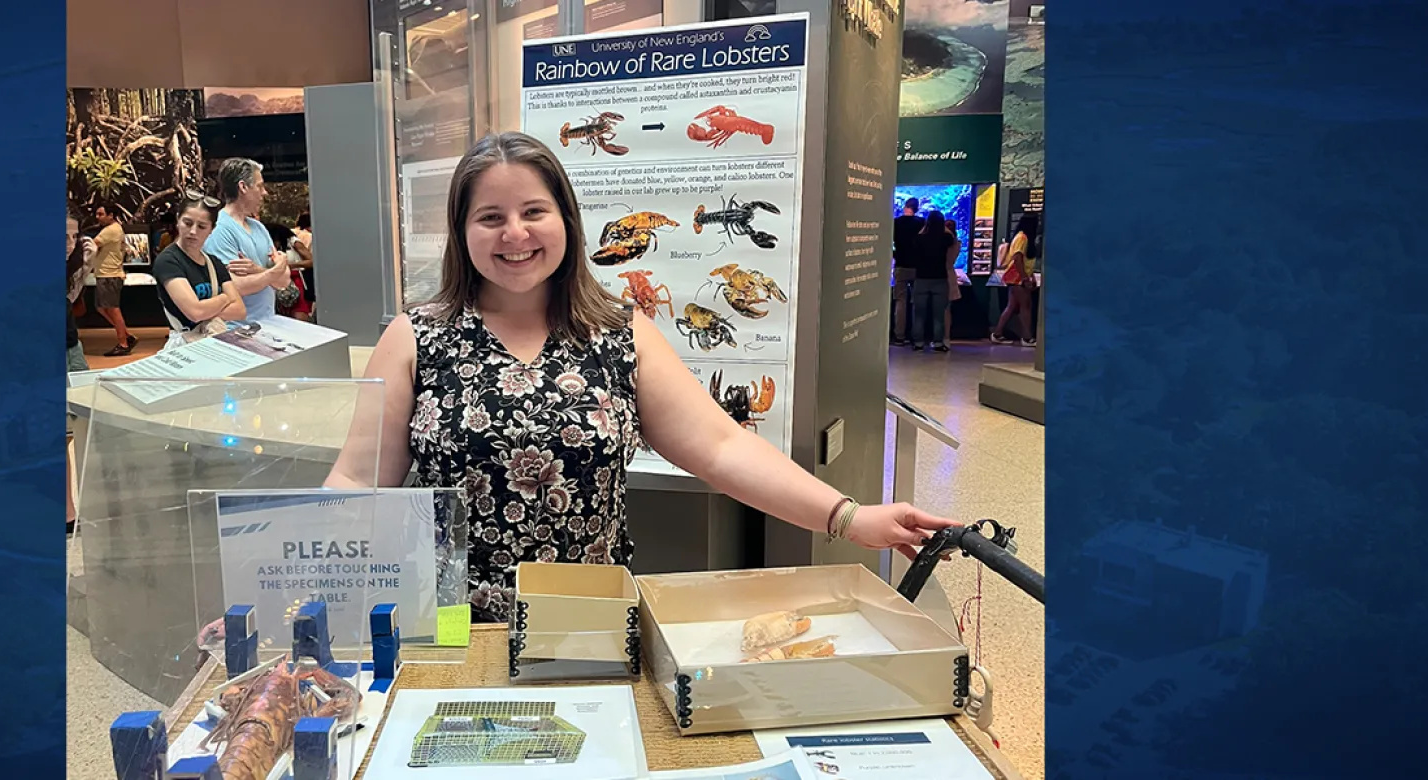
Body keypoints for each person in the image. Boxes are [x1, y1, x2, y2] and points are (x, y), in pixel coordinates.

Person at [324, 133, 961, 623]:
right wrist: (295, 587)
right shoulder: (416, 336)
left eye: (533, 211)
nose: (514, 233)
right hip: (445, 623)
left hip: (587, 619)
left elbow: (721, 446)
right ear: (462, 233)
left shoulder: (618, 331)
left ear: (567, 223)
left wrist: (849, 517)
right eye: (489, 217)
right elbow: (356, 479)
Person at [152, 194, 246, 349]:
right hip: (185, 344)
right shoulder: (168, 261)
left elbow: (240, 310)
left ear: (212, 229)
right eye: (187, 223)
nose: (193, 231)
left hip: (214, 342)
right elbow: (194, 312)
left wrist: (204, 310)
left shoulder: (214, 263)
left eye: (202, 226)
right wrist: (224, 298)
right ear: (178, 220)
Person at [205, 158, 292, 323]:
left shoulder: (258, 228)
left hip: (267, 323)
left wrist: (257, 270)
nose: (264, 192)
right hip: (236, 331)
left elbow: (285, 281)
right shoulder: (220, 230)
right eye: (259, 186)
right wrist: (274, 271)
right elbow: (235, 287)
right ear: (243, 187)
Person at [91, 203, 137, 356]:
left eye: (101, 214)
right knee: (101, 308)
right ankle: (127, 336)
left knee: (112, 309)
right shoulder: (114, 229)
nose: (97, 217)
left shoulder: (110, 230)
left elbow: (92, 246)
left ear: (111, 215)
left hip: (109, 275)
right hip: (105, 275)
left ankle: (123, 343)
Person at [910, 210, 958, 352]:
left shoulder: (920, 239)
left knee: (919, 313)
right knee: (939, 314)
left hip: (921, 279)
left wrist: (926, 227)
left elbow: (917, 239)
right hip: (940, 279)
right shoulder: (945, 238)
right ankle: (938, 343)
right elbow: (952, 239)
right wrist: (943, 227)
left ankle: (918, 342)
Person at [991, 213, 1039, 347]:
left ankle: (997, 333)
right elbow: (1017, 259)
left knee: (1011, 306)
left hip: (1016, 277)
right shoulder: (1022, 238)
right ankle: (1027, 337)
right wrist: (1025, 277)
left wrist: (1031, 275)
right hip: (1017, 277)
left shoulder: (1021, 237)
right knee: (1025, 306)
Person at [891, 198, 924, 347]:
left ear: (905, 207)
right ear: (917, 208)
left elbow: (890, 243)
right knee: (917, 302)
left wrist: (895, 255)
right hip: (918, 267)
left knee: (900, 301)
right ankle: (917, 336)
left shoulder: (896, 223)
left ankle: (899, 336)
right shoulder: (921, 223)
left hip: (901, 265)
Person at [66, 214, 97, 372]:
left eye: (74, 236)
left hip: (71, 345)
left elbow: (68, 299)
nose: (70, 245)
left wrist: (86, 267)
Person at [265, 223, 313, 321]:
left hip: (296, 279)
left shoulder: (293, 242)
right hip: (276, 281)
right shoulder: (268, 246)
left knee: (298, 311)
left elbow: (311, 261)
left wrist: (291, 266)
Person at [944, 218, 962, 348]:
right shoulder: (957, 243)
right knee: (947, 309)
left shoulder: (943, 242)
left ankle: (939, 337)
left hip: (940, 275)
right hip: (951, 275)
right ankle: (946, 337)